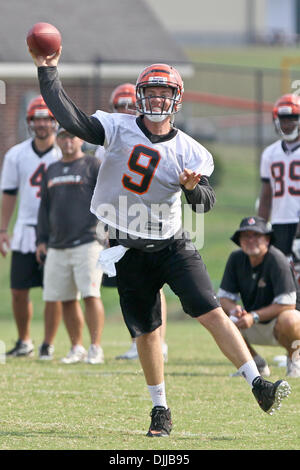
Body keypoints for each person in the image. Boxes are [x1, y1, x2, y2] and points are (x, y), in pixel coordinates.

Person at [30, 47, 291, 437]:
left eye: (163, 94)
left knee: (211, 311)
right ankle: (160, 409)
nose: (156, 99)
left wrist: (191, 188)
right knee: (147, 332)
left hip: (172, 244)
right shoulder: (116, 127)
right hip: (126, 246)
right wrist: (47, 71)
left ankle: (258, 383)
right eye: (150, 93)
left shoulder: (191, 150)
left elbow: (204, 204)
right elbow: (72, 118)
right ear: (139, 96)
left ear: (176, 100)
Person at [95, 82, 168, 361]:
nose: (125, 112)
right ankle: (141, 340)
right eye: (119, 107)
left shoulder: (152, 139)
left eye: (129, 105)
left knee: (152, 283)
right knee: (130, 282)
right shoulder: (107, 143)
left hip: (148, 218)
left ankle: (157, 342)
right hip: (118, 219)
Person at [36, 126, 105, 365]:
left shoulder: (92, 165)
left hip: (87, 241)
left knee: (90, 294)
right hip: (57, 244)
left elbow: (107, 199)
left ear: (80, 139)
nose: (67, 141)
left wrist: (105, 231)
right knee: (65, 298)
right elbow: (44, 208)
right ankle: (77, 346)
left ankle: (95, 347)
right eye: (63, 136)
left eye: (72, 136)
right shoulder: (51, 169)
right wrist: (41, 240)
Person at [0, 95, 62, 358]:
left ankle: (48, 343)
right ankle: (24, 340)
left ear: (54, 122)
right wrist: (3, 229)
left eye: (46, 119)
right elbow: (9, 193)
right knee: (17, 290)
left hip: (58, 232)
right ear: (29, 122)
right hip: (26, 229)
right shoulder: (16, 154)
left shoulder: (64, 152)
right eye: (36, 120)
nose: (41, 125)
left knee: (54, 291)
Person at [218, 216, 300, 378]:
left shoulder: (277, 259)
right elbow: (223, 299)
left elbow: (287, 304)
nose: (251, 240)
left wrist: (254, 316)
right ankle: (254, 364)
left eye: (256, 235)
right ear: (239, 240)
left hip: (280, 324)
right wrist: (235, 309)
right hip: (250, 321)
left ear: (267, 239)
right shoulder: (236, 259)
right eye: (246, 236)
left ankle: (295, 360)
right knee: (218, 316)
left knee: (290, 318)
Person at [258, 94, 300, 259]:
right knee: (281, 275)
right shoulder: (270, 153)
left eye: (292, 119)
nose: (287, 124)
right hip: (279, 222)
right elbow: (266, 197)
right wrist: (260, 229)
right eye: (283, 119)